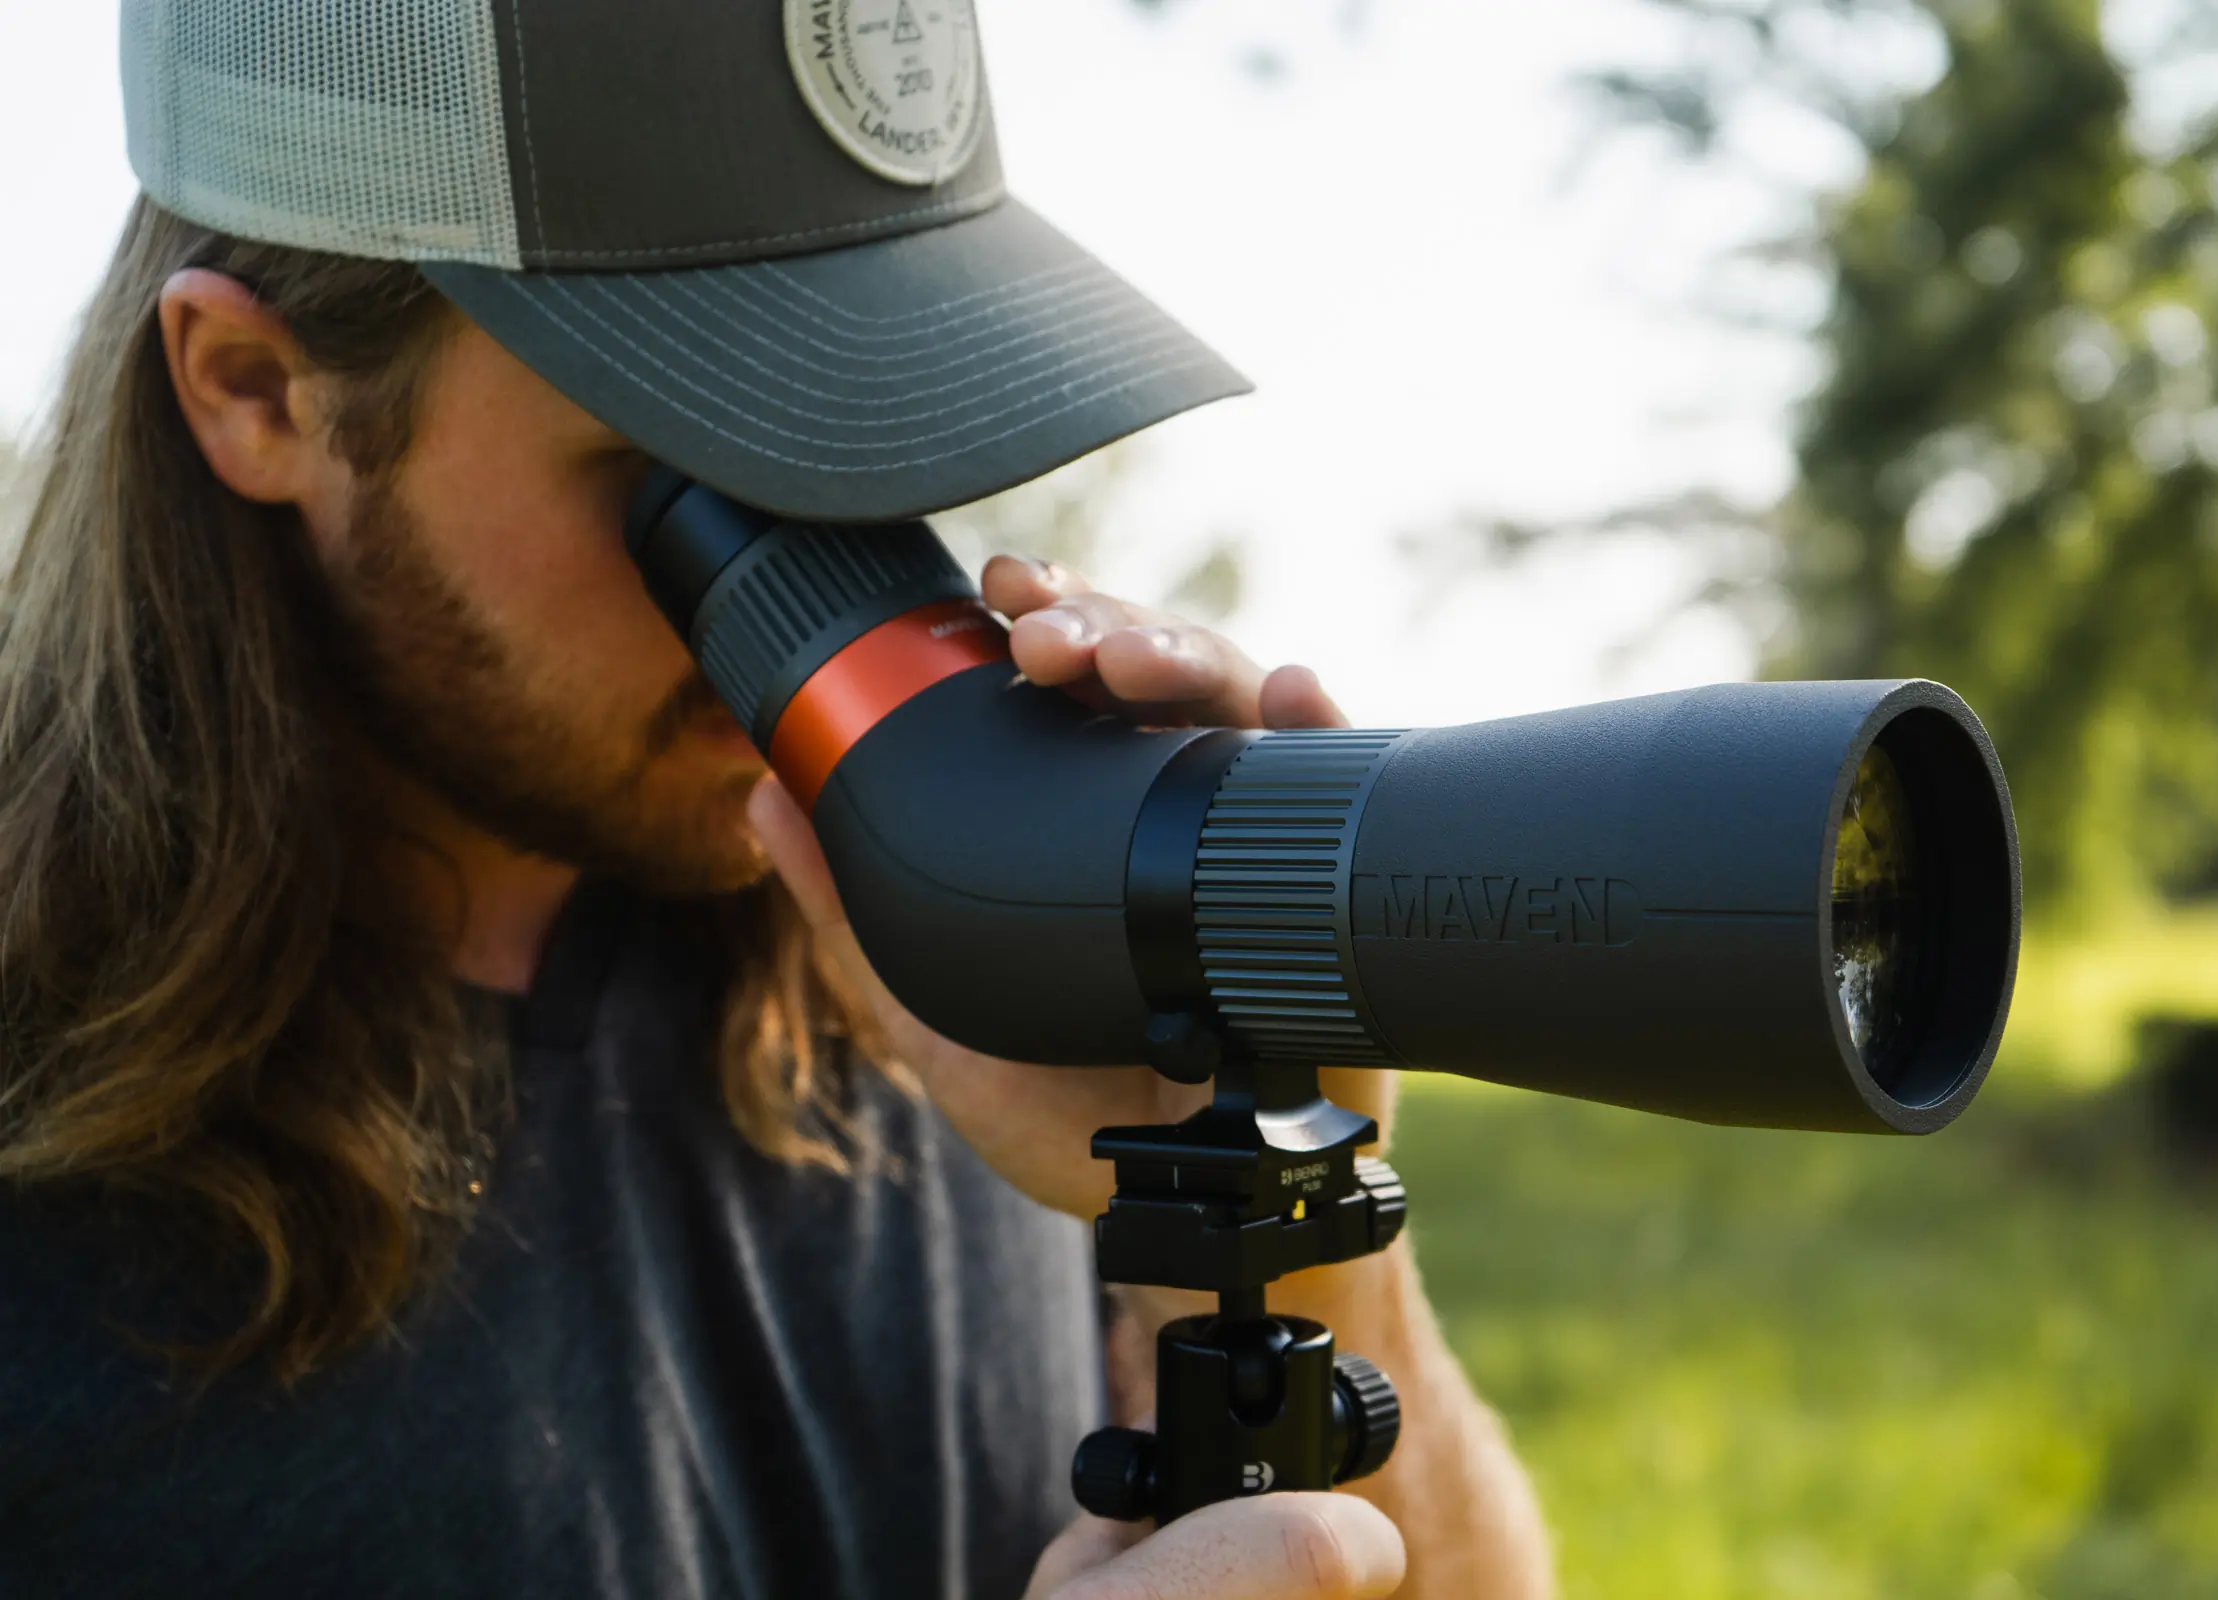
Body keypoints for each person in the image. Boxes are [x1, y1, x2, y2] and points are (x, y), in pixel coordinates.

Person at [0, 3, 1552, 1597]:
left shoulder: (960, 1002)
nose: (825, 577)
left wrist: (1280, 1212)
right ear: (257, 391)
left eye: (879, 423)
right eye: (696, 470)